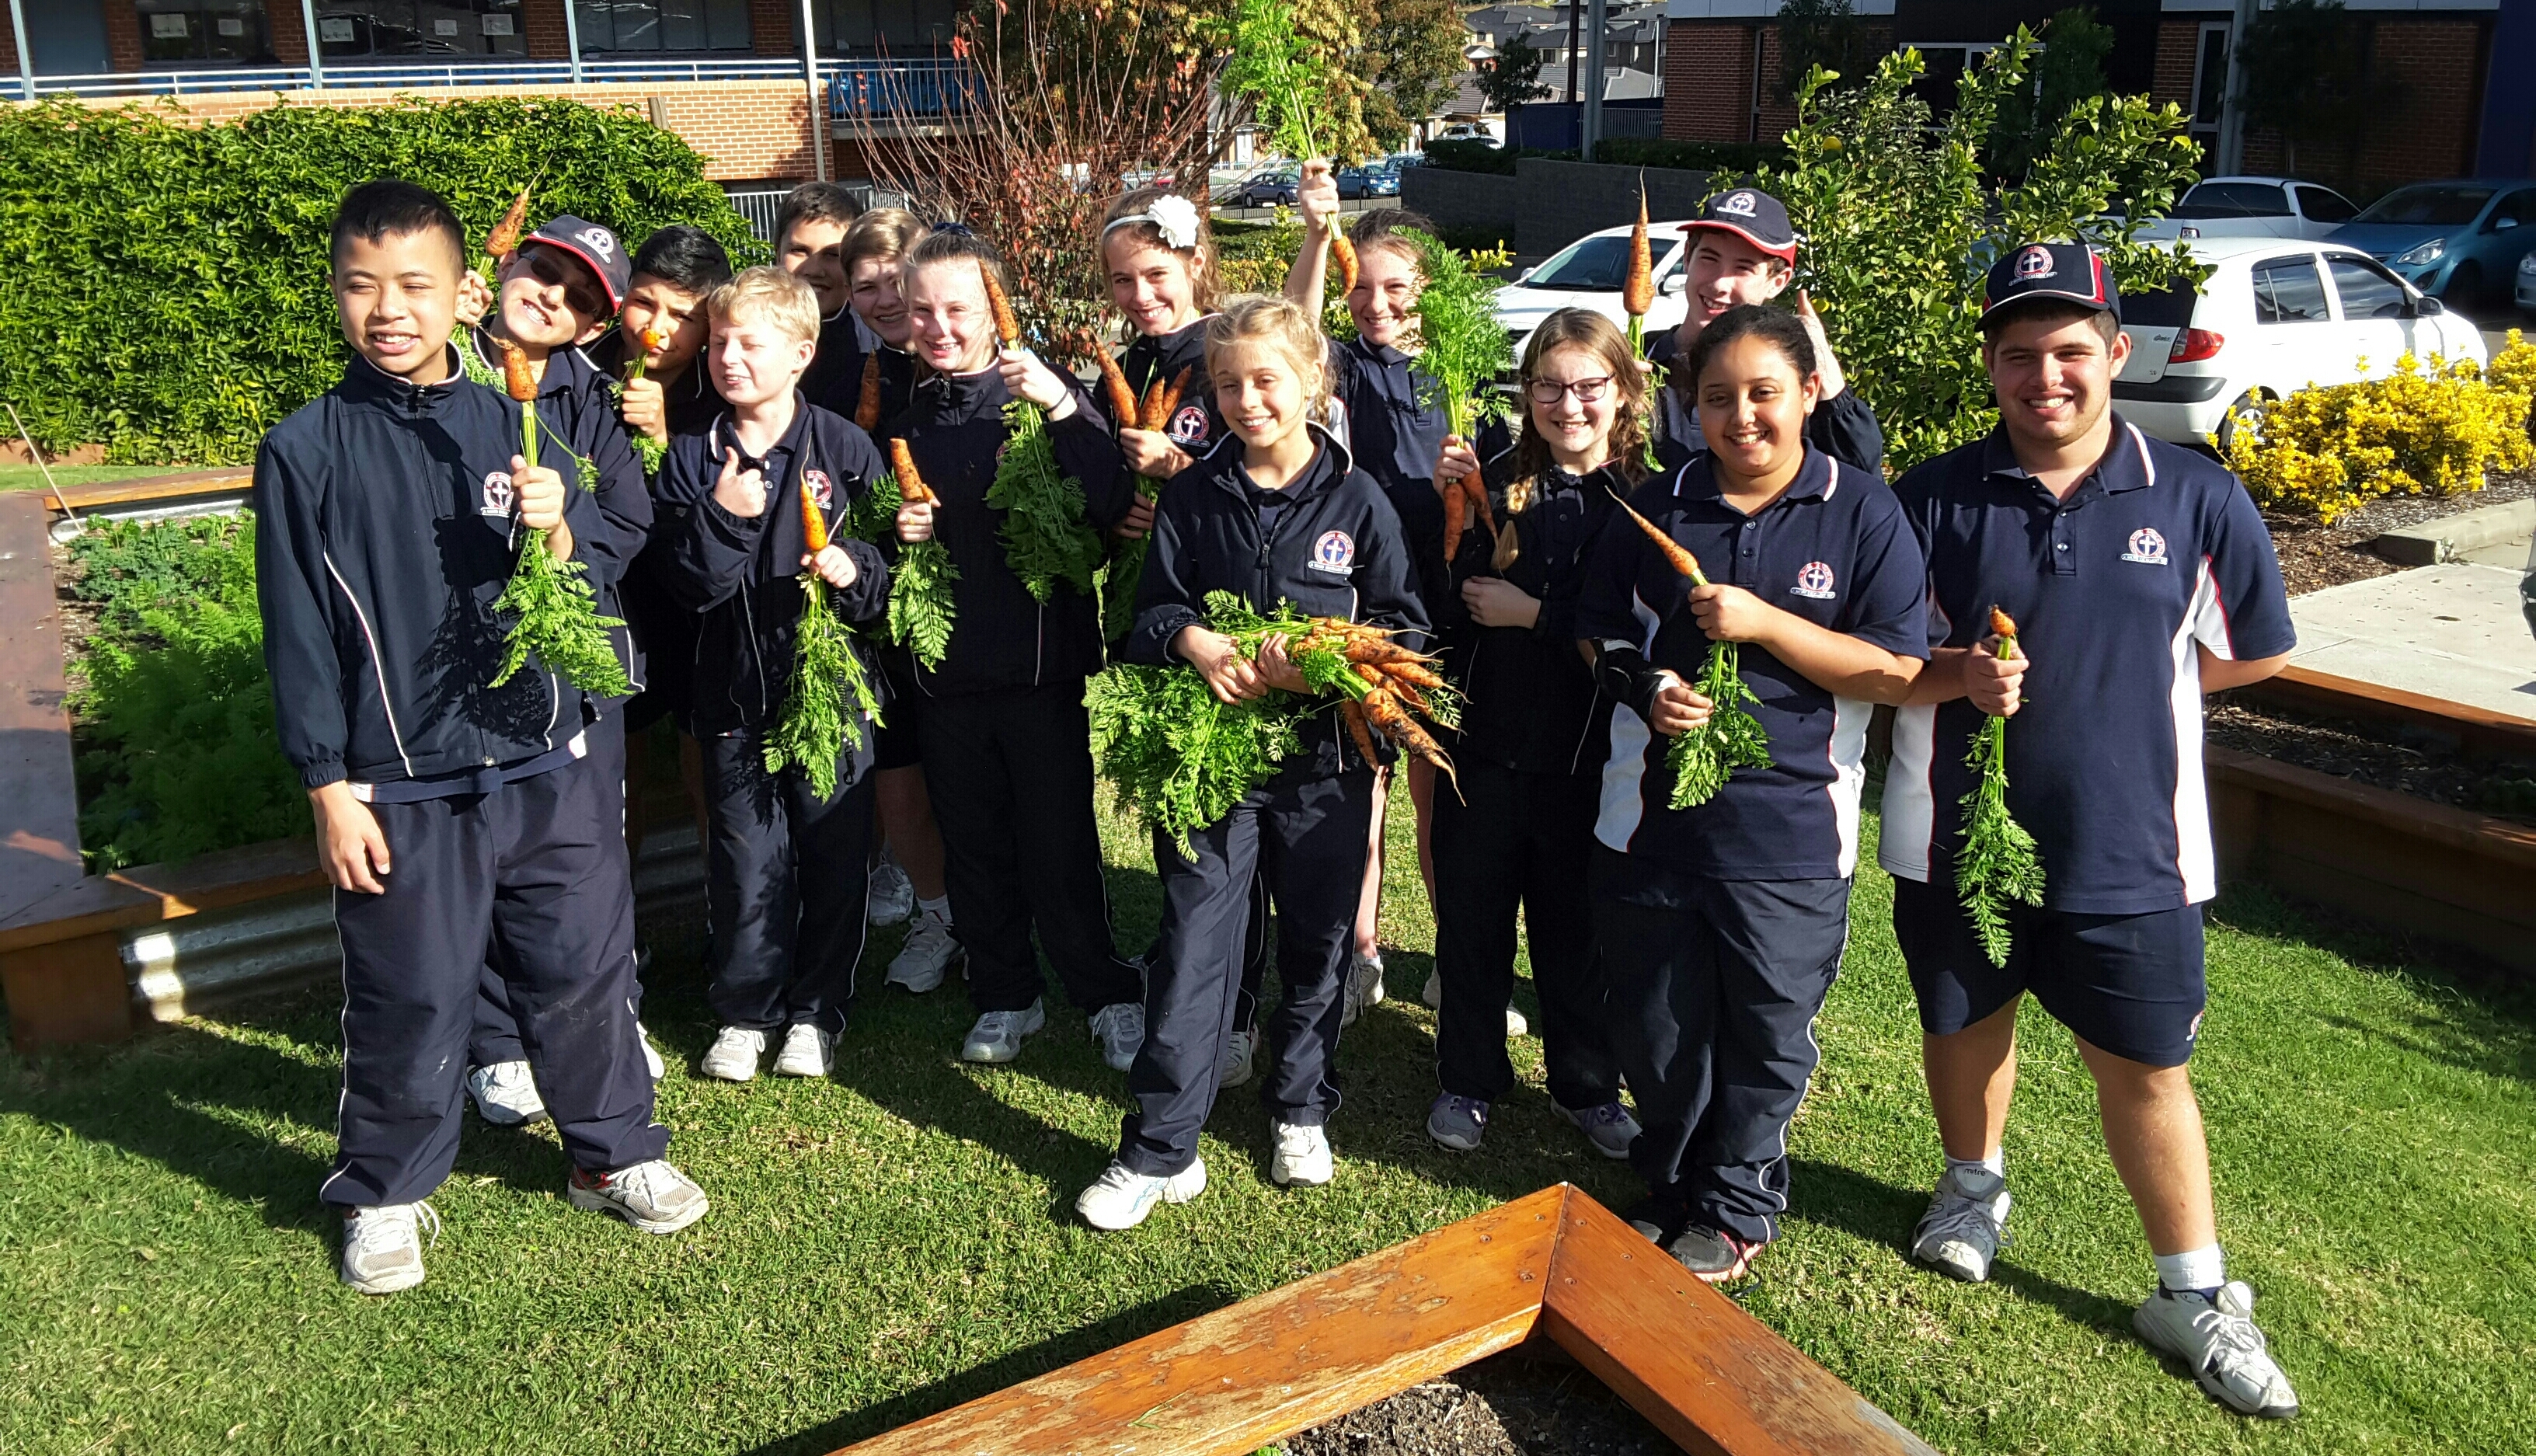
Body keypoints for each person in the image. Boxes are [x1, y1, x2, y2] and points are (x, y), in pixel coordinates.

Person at [256, 180, 707, 1296]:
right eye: (362, 287)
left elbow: (597, 572)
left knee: (584, 968)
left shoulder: (526, 417)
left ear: (462, 292)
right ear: (337, 295)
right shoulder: (305, 450)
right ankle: (387, 1188)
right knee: (410, 991)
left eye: (414, 285)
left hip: (547, 754)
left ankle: (614, 1152)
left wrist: (560, 531)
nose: (389, 309)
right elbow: (300, 635)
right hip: (404, 777)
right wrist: (329, 783)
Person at [1883, 242, 2300, 1419]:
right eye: (2019, 354)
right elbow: (1886, 661)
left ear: (2118, 354)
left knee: (2148, 1068)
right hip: (1957, 836)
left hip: (2135, 850)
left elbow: (2253, 647)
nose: (2045, 376)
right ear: (1991, 366)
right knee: (1965, 1021)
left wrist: (2134, 696)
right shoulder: (1932, 497)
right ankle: (1971, 1188)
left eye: (2071, 350)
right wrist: (1960, 674)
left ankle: (2193, 1289)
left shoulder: (2197, 494)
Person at [1576, 304, 1927, 1283]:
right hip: (1647, 820)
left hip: (1789, 831)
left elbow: (1895, 668)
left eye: (1764, 394)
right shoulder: (1660, 503)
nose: (1741, 419)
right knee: (1657, 1018)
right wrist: (1645, 686)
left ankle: (1736, 1203)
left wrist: (1766, 623)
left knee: (1767, 1027)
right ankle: (1674, 1180)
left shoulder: (1860, 508)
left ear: (1810, 392)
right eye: (1718, 398)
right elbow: (1596, 631)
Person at [1076, 294, 1429, 1230]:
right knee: (1195, 943)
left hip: (1325, 771)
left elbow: (1407, 631)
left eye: (1265, 379)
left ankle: (1301, 1102)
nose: (1245, 399)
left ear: (1311, 382)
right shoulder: (1195, 496)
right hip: (1213, 764)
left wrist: (1322, 662)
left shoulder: (1360, 501)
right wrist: (1194, 640)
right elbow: (1150, 611)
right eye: (1228, 383)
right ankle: (1160, 1147)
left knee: (1317, 942)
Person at [887, 227, 1147, 1071]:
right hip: (946, 674)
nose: (938, 325)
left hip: (1042, 669)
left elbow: (1113, 499)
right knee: (974, 843)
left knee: (1057, 840)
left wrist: (1066, 406)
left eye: (957, 307)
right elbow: (870, 533)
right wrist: (903, 530)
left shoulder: (1043, 392)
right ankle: (1005, 992)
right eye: (922, 309)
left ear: (993, 308)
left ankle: (1102, 987)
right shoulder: (906, 412)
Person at [1284, 178, 1518, 1033]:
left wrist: (1473, 486)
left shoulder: (1468, 374)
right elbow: (1293, 331)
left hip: (1453, 605)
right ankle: (1361, 948)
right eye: (1362, 287)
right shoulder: (1337, 364)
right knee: (1363, 786)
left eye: (1396, 287)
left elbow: (1508, 511)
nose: (1375, 304)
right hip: (1364, 599)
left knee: (1443, 794)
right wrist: (1318, 237)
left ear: (1432, 292)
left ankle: (1457, 959)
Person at [656, 266, 894, 1083]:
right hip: (731, 692)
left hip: (828, 694)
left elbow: (889, 580)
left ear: (800, 352)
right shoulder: (693, 455)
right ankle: (744, 1008)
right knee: (745, 855)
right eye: (720, 342)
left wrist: (853, 568)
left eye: (749, 343)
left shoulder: (844, 447)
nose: (728, 358)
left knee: (834, 849)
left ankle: (817, 1007)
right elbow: (685, 585)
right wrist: (726, 516)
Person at [454, 214, 661, 1129]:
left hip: (575, 661)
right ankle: (499, 1044)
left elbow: (629, 524)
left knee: (588, 856)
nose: (553, 297)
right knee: (486, 851)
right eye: (544, 272)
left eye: (580, 297)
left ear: (591, 326)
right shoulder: (438, 370)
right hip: (463, 658)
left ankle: (607, 1016)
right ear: (507, 268)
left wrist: (567, 535)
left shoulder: (598, 403)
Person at [1424, 308, 1642, 1160]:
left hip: (1584, 759)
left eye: (1589, 385)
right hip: (1482, 747)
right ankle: (1468, 1078)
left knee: (1573, 933)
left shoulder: (1648, 496)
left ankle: (1588, 1085)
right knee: (1473, 922)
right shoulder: (1495, 481)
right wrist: (1444, 509)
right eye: (1547, 385)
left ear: (1624, 392)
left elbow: (1626, 629)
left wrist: (1538, 614)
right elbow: (1450, 602)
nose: (1568, 403)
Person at [834, 207, 960, 995]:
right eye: (864, 287)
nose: (882, 299)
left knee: (970, 772)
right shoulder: (845, 373)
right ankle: (940, 912)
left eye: (893, 281)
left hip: (968, 602)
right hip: (878, 593)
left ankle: (988, 912)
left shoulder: (968, 364)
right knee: (899, 765)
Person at [1643, 189, 1883, 479]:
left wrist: (1824, 369)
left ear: (1777, 282)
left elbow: (1861, 479)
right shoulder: (1638, 361)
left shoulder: (1790, 384)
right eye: (1709, 259)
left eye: (1743, 268)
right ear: (1688, 258)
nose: (1720, 283)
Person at [774, 181, 866, 409]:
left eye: (831, 255)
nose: (814, 269)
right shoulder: (745, 337)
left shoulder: (876, 343)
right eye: (799, 251)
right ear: (777, 253)